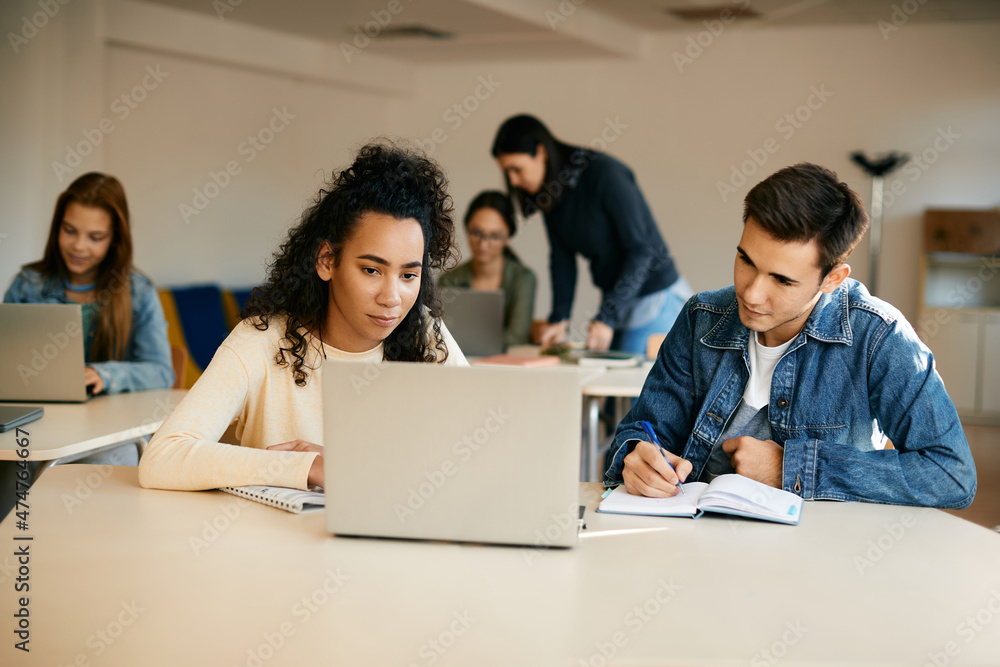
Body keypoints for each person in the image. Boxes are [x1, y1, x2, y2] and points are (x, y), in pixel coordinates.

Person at [606, 163, 976, 509]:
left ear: (833, 278)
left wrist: (792, 467)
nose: (751, 294)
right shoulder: (701, 318)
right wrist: (635, 456)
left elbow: (951, 475)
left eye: (782, 280)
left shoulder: (879, 336)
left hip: (820, 559)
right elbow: (642, 433)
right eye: (746, 260)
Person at [138, 142, 467, 492]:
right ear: (326, 260)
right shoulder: (261, 341)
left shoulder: (427, 335)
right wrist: (302, 467)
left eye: (408, 275)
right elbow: (162, 459)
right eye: (371, 270)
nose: (391, 297)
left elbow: (481, 451)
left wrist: (345, 464)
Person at [491, 114, 691, 355]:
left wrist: (607, 316)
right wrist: (559, 318)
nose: (512, 181)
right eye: (507, 172)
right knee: (606, 388)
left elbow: (641, 250)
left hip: (655, 298)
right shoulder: (553, 193)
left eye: (517, 169)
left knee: (633, 391)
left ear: (541, 152)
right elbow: (562, 260)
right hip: (618, 301)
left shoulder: (605, 174)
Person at [3, 172, 174, 394]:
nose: (79, 246)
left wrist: (104, 375)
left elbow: (161, 373)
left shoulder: (139, 292)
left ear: (115, 239)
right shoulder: (26, 285)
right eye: (69, 231)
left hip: (113, 422)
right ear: (57, 227)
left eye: (96, 237)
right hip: (43, 417)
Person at [437, 190, 537, 349]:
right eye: (477, 233)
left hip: (506, 367)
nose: (483, 244)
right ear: (467, 229)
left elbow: (516, 337)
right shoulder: (449, 280)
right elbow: (441, 334)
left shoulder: (523, 278)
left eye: (494, 236)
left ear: (507, 236)